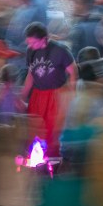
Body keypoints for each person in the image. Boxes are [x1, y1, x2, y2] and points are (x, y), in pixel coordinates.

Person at [22, 22, 75, 157]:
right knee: (35, 129)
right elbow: (31, 74)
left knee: (53, 130)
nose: (30, 46)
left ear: (44, 39)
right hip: (37, 95)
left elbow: (73, 72)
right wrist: (23, 95)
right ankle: (35, 159)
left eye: (33, 42)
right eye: (28, 43)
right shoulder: (30, 51)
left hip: (55, 95)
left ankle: (52, 160)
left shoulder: (60, 50)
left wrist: (70, 94)